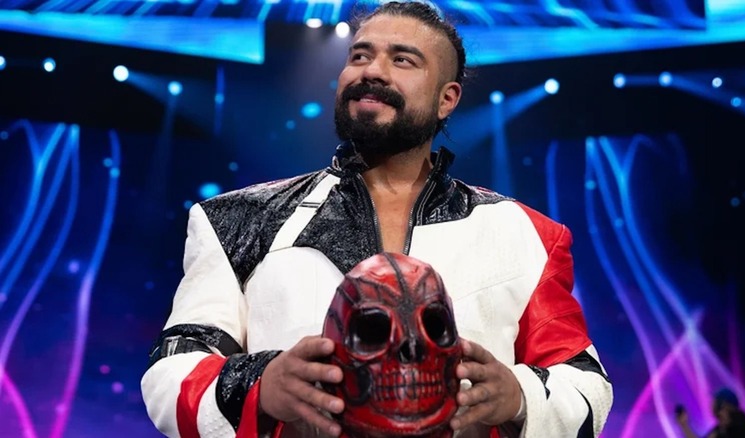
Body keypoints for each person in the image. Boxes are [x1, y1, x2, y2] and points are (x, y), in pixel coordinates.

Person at [140, 2, 613, 437]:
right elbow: (170, 373)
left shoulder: (526, 234)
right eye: (360, 56)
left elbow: (587, 384)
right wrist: (261, 384)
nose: (373, 72)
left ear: (448, 98)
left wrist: (518, 397)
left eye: (403, 60)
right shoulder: (236, 220)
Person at [676, 388, 745, 438]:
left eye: (714, 401)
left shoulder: (739, 424)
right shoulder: (718, 429)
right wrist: (684, 425)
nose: (711, 404)